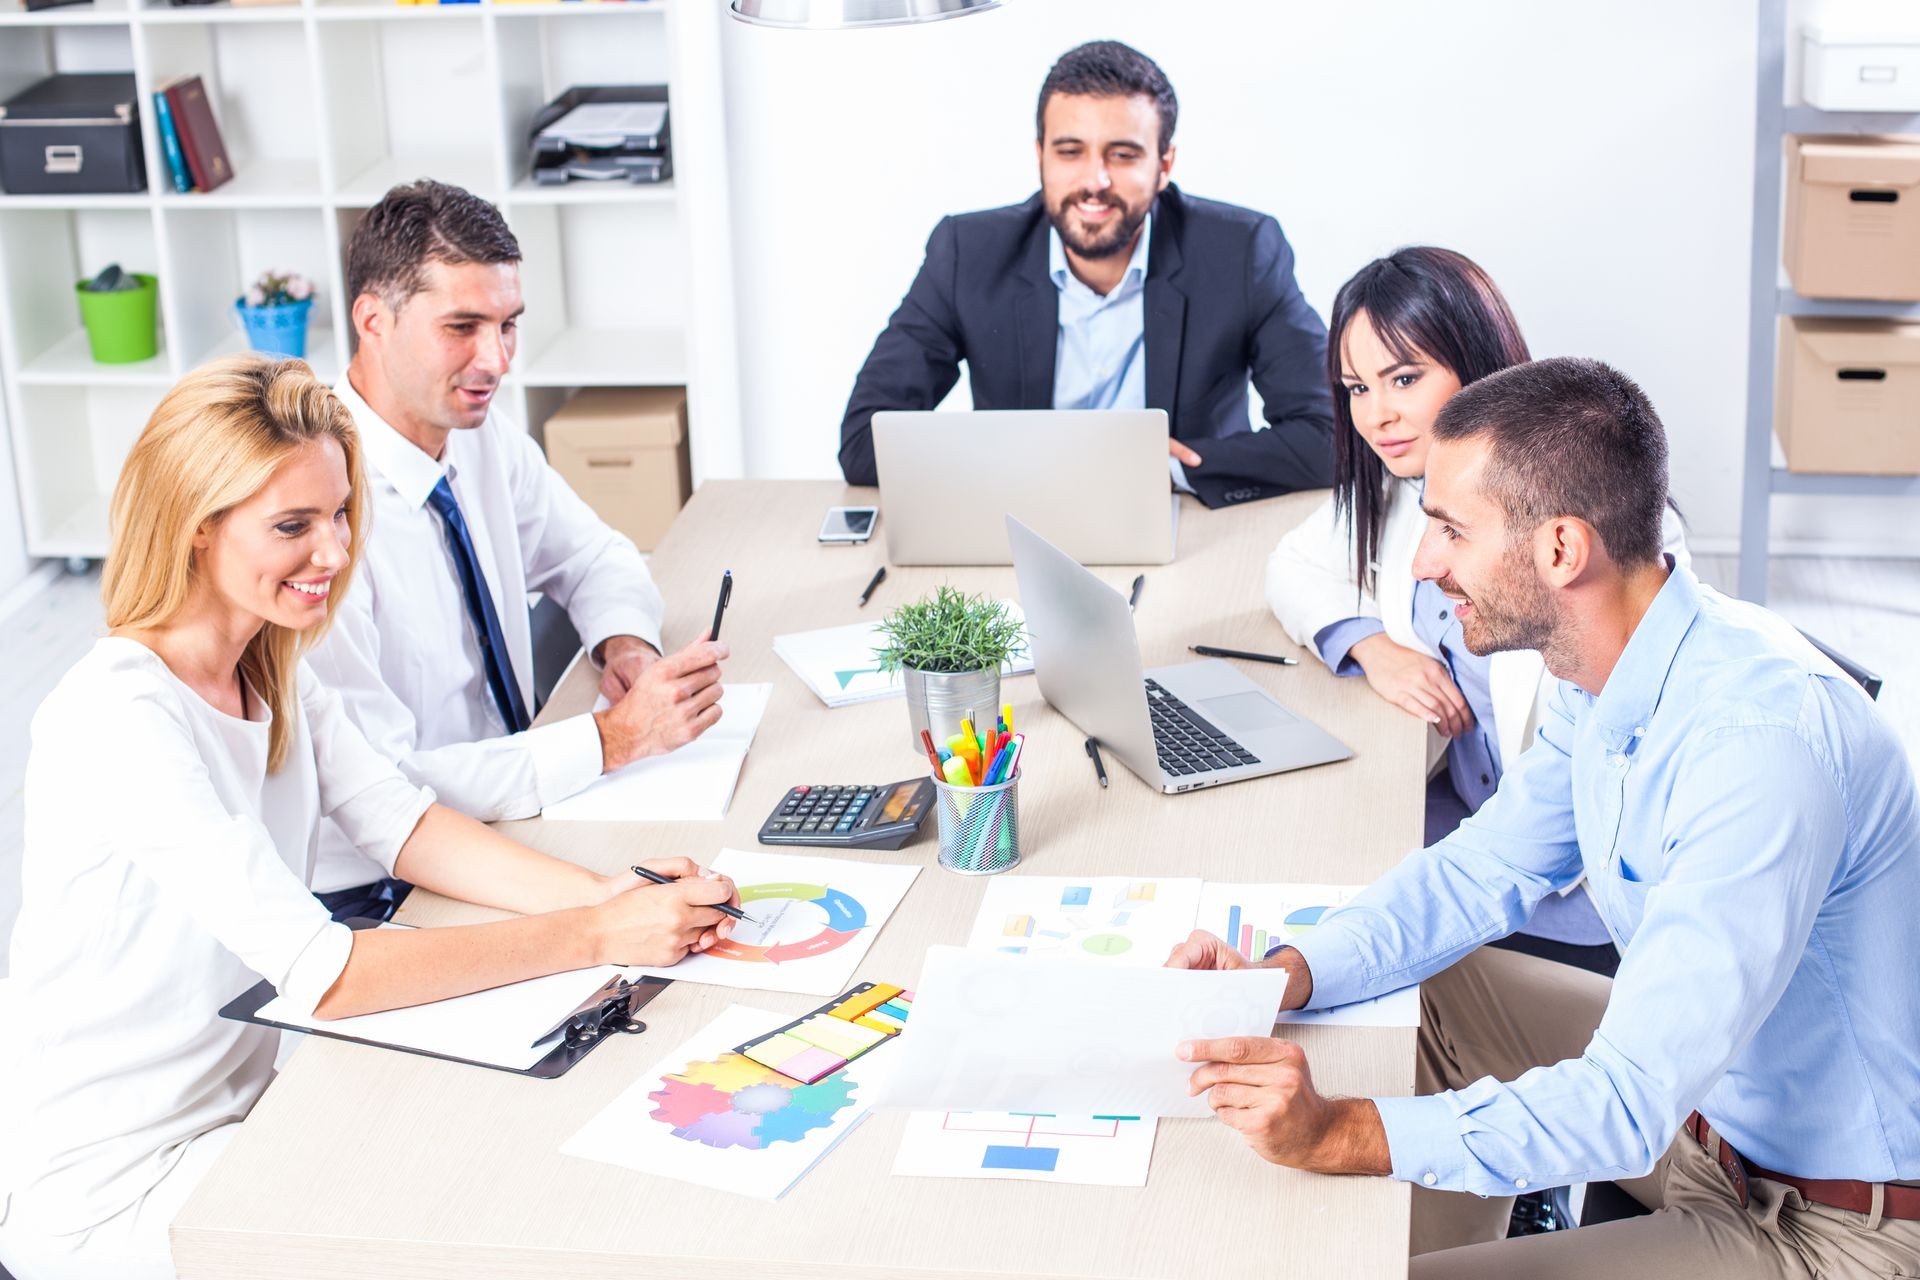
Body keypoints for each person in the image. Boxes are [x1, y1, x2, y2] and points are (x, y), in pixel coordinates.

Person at [1170, 356, 1920, 1277]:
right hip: (1706, 1120)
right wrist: (1281, 976)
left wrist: (1343, 1132)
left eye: (1451, 530)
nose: (1424, 563)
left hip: (1825, 1225)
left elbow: (1625, 1102)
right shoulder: (1609, 666)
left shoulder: (1760, 749)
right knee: (1436, 990)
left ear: (1562, 550)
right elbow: (1482, 869)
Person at [0, 356, 740, 1280]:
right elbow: (328, 974)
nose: (334, 552)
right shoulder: (121, 715)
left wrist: (612, 894)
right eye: (293, 525)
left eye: (341, 513)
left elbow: (403, 825)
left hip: (251, 1110)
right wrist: (594, 934)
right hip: (120, 1187)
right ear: (196, 528)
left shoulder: (270, 666)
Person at [305, 179, 726, 920]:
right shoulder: (317, 512)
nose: (497, 360)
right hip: (382, 882)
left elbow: (595, 556)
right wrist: (610, 739)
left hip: (515, 810)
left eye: (508, 326)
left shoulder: (481, 437)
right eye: (463, 327)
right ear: (373, 320)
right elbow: (382, 787)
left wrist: (624, 645)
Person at [1266, 248, 1688, 976]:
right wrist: (1372, 647)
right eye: (1357, 387)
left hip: (1565, 886)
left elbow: (1583, 796)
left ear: (1477, 366)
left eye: (1404, 379)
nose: (1377, 415)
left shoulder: (1602, 539)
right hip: (1474, 828)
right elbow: (1292, 565)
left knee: (1342, 938)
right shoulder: (1405, 488)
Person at [837, 39, 1332, 509]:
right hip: (1018, 520)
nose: (1095, 181)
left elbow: (1331, 436)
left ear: (1164, 165)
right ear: (1040, 156)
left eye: (1123, 154)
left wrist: (1166, 469)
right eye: (1070, 151)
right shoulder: (967, 253)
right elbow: (863, 441)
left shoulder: (1242, 251)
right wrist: (1029, 466)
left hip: (1186, 522)